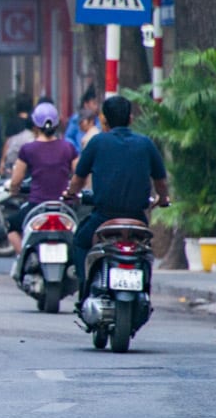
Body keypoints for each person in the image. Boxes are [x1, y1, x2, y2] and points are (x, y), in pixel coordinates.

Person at [62, 95, 170, 295]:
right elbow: (161, 182)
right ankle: (144, 290)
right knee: (144, 252)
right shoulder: (145, 143)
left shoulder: (97, 142)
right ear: (130, 119)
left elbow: (78, 178)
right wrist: (163, 200)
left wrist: (71, 193)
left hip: (104, 217)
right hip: (136, 219)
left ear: (104, 120)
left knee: (80, 241)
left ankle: (85, 289)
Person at [6, 102, 78, 253]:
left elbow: (16, 180)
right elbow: (79, 175)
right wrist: (73, 192)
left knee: (11, 226)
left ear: (35, 125)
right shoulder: (68, 148)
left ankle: (23, 257)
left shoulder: (28, 149)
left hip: (37, 207)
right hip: (64, 207)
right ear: (57, 123)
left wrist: (13, 190)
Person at [65, 86, 100, 155]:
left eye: (97, 104)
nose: (96, 107)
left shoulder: (98, 120)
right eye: (94, 103)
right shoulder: (76, 119)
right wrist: (76, 150)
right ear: (86, 104)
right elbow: (68, 138)